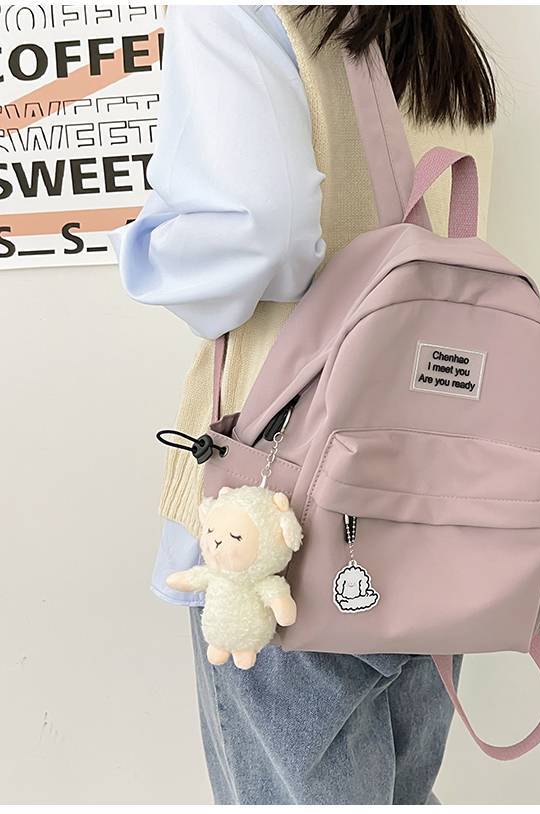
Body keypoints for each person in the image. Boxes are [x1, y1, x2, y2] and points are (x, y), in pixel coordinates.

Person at [109, 5, 497, 804]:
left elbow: (264, 231)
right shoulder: (430, 23)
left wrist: (148, 249)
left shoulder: (242, 10)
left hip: (285, 495)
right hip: (436, 500)